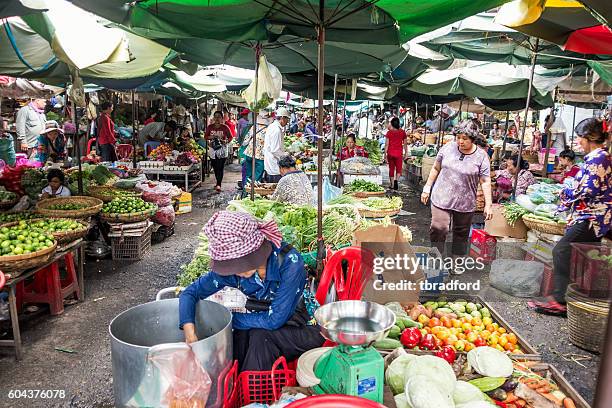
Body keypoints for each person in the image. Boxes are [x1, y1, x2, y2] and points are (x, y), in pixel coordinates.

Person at [179, 211, 324, 371]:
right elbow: (190, 293)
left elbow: (274, 320)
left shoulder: (289, 263)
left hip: (304, 328)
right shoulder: (232, 273)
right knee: (239, 338)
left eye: (239, 264)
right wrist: (190, 333)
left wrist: (226, 321)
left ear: (255, 251)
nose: (236, 271)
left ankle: (253, 391)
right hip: (270, 324)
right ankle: (234, 384)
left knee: (259, 337)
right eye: (232, 265)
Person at [529, 118, 610, 315]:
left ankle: (560, 300)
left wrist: (566, 191)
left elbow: (588, 189)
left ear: (589, 138)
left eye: (579, 137)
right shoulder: (597, 157)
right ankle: (576, 297)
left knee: (561, 251)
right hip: (593, 216)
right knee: (583, 256)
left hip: (593, 217)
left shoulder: (598, 158)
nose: (577, 142)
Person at [421, 120, 493, 267]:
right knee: (439, 228)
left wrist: (488, 205)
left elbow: (485, 181)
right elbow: (435, 168)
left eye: (465, 138)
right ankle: (436, 258)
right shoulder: (447, 148)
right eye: (458, 137)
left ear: (473, 139)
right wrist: (427, 188)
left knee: (461, 233)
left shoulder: (481, 156)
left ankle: (456, 262)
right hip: (442, 197)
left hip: (465, 202)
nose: (460, 141)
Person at [205, 111, 233, 193]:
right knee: (215, 167)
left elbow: (230, 137)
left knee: (220, 167)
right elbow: (205, 137)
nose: (217, 119)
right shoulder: (210, 127)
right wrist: (212, 136)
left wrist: (225, 141)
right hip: (213, 149)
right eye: (215, 117)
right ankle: (218, 182)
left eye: (219, 117)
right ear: (213, 118)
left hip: (222, 150)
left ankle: (218, 184)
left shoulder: (225, 127)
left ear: (222, 118)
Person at [263, 108, 290, 183]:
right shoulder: (276, 130)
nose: (287, 122)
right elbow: (275, 150)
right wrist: (286, 155)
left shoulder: (273, 126)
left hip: (271, 164)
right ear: (282, 118)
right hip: (274, 166)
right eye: (287, 119)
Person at [384, 117, 408, 190]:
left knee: (391, 169)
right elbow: (405, 144)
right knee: (398, 169)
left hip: (390, 153)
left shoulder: (389, 132)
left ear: (392, 124)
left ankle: (391, 185)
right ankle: (396, 180)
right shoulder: (402, 132)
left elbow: (386, 144)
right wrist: (406, 153)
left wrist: (385, 154)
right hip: (399, 153)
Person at [243, 120, 265, 186]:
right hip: (260, 156)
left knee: (248, 176)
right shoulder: (268, 129)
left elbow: (245, 141)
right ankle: (253, 193)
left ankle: (246, 193)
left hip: (249, 153)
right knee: (256, 178)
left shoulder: (254, 127)